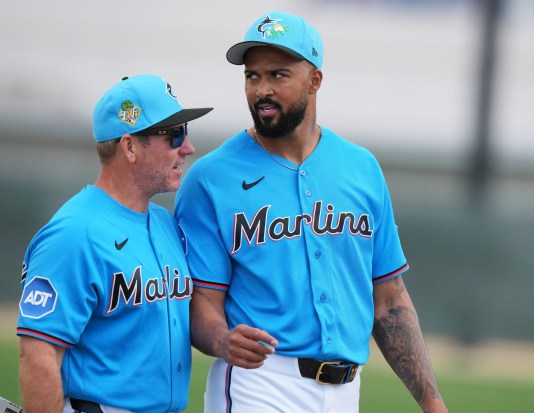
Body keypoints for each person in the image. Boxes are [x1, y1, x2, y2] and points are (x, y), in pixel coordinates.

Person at [175, 11, 448, 413]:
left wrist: (433, 404)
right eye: (252, 76)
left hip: (346, 390)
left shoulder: (361, 168)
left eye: (278, 75)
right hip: (259, 382)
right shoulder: (211, 178)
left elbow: (389, 302)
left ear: (315, 80)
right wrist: (220, 339)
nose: (262, 89)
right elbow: (203, 301)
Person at [16, 74, 212, 413]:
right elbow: (38, 353)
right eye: (174, 135)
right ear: (130, 146)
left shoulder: (166, 223)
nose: (188, 147)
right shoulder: (74, 233)